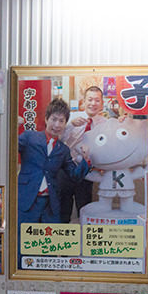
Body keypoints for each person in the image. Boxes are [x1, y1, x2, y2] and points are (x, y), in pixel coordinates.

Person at [18, 98, 90, 225]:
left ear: (65, 123)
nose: (57, 125)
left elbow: (75, 175)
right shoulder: (29, 137)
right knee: (22, 241)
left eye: (61, 121)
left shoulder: (63, 150)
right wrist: (13, 126)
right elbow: (8, 150)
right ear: (46, 119)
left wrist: (86, 160)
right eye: (54, 119)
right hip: (27, 201)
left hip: (50, 205)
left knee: (49, 242)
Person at [59, 86, 105, 222]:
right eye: (90, 99)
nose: (93, 103)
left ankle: (83, 240)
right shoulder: (70, 118)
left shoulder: (105, 124)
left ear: (102, 103)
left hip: (86, 171)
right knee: (63, 208)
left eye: (97, 100)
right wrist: (70, 125)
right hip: (66, 168)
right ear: (83, 102)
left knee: (84, 208)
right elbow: (59, 139)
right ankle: (63, 239)